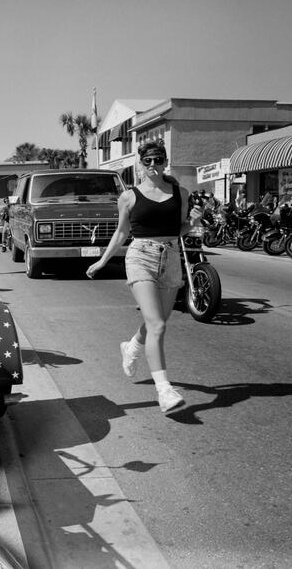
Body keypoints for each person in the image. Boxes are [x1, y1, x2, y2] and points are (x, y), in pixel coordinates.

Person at [86, 140, 201, 414]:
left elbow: (178, 229)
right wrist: (102, 261)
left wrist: (194, 222)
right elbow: (122, 233)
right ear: (140, 164)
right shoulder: (129, 197)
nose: (153, 165)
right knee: (157, 325)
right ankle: (164, 390)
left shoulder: (181, 193)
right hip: (141, 257)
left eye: (158, 160)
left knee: (156, 323)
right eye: (147, 161)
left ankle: (132, 347)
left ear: (165, 162)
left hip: (170, 258)